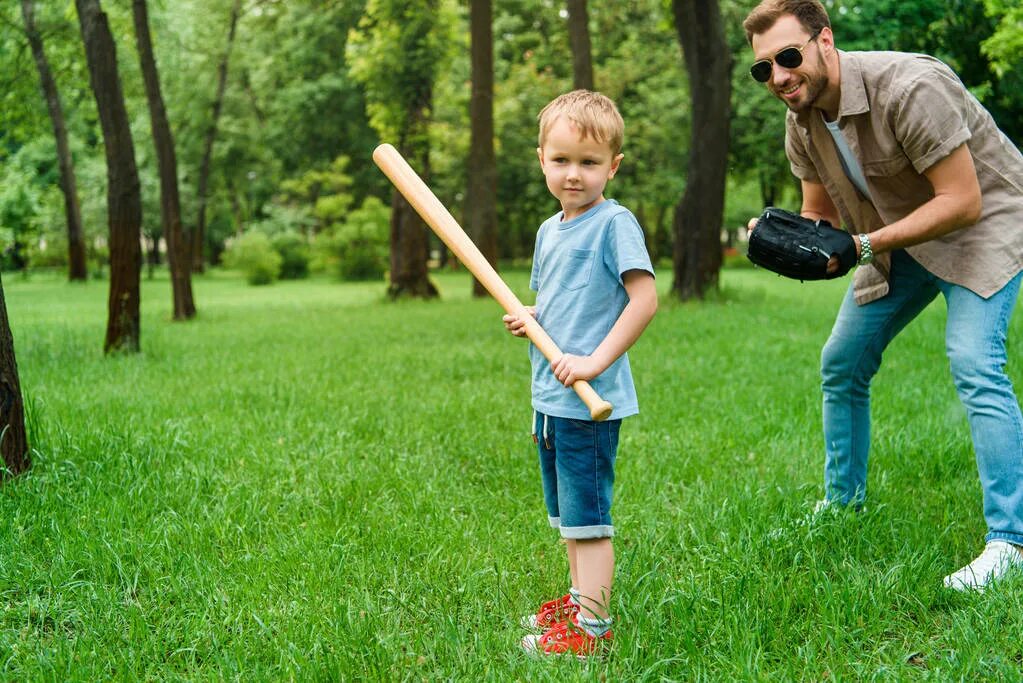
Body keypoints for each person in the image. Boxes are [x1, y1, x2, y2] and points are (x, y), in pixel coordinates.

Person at [743, 0, 1023, 590]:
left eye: (788, 58)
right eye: (763, 69)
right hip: (899, 237)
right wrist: (790, 244)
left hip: (983, 226)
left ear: (825, 41)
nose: (779, 78)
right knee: (841, 364)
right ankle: (842, 506)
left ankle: (1011, 542)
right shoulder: (801, 123)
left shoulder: (911, 87)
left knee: (974, 361)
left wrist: (861, 246)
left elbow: (963, 202)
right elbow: (818, 219)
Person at [502, 90, 657, 656]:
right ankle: (577, 603)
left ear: (612, 167)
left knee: (589, 518)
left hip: (590, 399)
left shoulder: (614, 224)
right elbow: (561, 299)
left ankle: (590, 631)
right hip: (550, 397)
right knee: (568, 515)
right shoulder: (550, 230)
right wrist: (532, 317)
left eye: (589, 163)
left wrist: (595, 362)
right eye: (562, 160)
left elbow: (643, 300)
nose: (574, 174)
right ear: (541, 158)